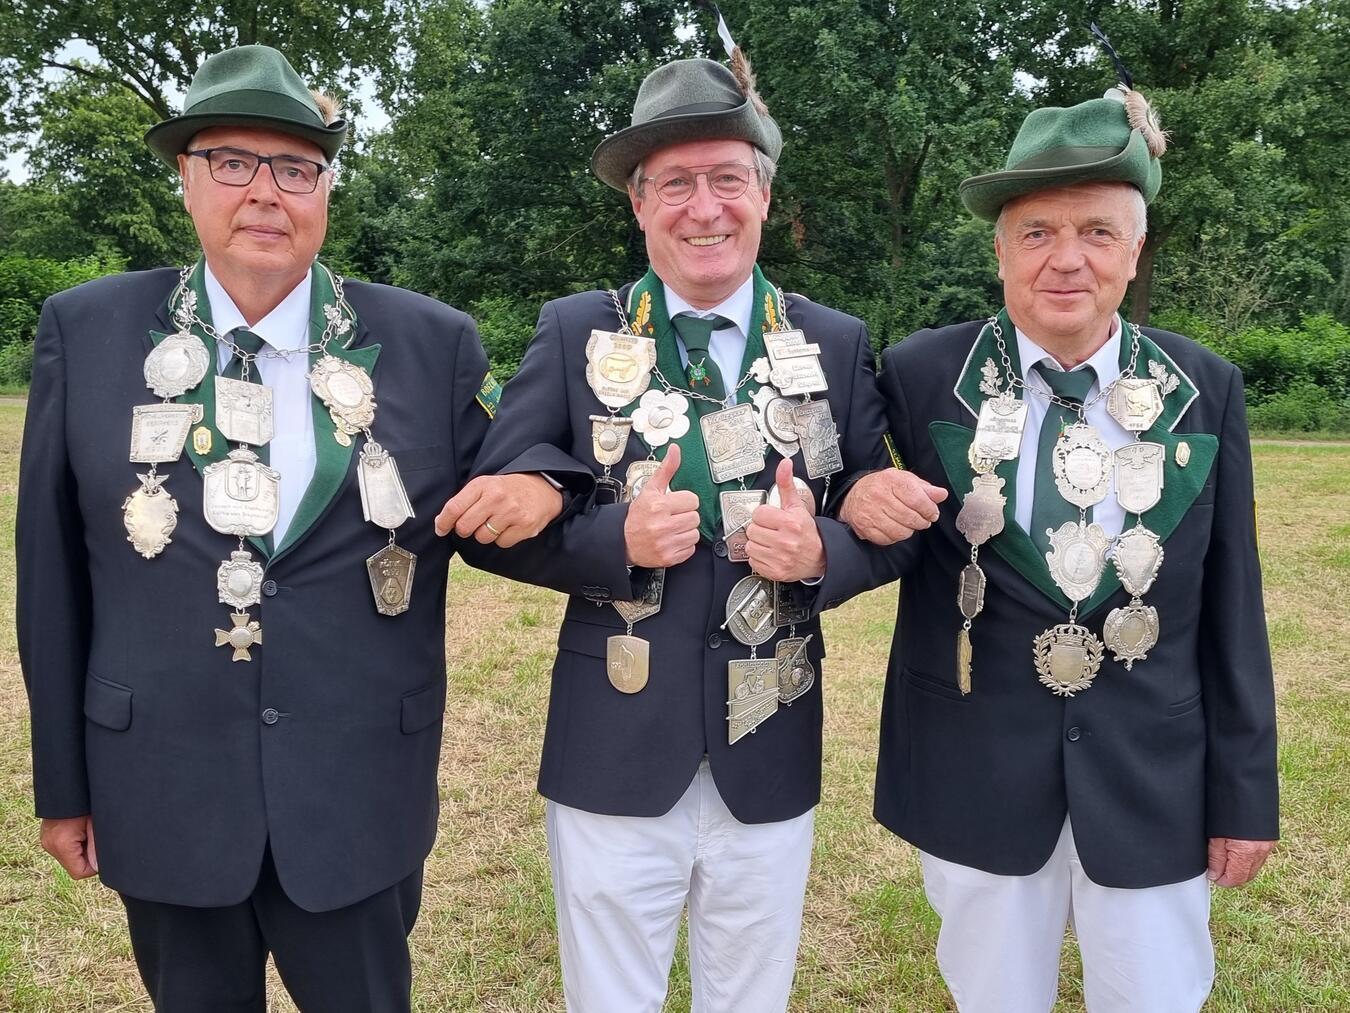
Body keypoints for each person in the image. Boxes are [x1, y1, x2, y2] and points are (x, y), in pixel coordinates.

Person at [16, 45, 561, 1012]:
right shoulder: (87, 329)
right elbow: (51, 573)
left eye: (296, 168)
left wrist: (553, 491)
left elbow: (510, 494)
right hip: (163, 786)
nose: (266, 192)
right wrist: (62, 781)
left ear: (326, 190)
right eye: (233, 161)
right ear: (186, 179)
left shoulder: (430, 343)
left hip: (356, 795)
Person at [439, 43, 933, 1013]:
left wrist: (825, 551)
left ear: (762, 190)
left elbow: (891, 511)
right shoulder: (578, 328)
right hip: (612, 738)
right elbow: (488, 505)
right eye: (675, 183)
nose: (703, 207)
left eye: (726, 178)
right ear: (637, 201)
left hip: (770, 730)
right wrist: (606, 537)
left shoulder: (831, 340)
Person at [825, 81, 1280, 1011]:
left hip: (1155, 777)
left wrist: (1244, 796)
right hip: (976, 764)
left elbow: (1235, 605)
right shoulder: (919, 374)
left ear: (1135, 247)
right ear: (999, 247)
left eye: (1097, 232)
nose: (1065, 260)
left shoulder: (1207, 387)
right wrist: (858, 498)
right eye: (1036, 232)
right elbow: (847, 502)